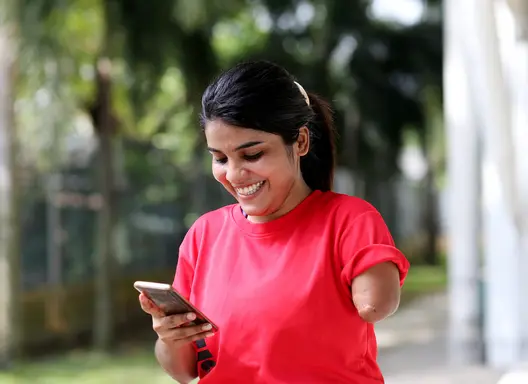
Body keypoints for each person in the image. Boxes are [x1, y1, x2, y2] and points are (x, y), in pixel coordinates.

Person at [139, 60, 410, 383]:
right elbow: (184, 371)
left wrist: (373, 283)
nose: (235, 174)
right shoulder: (204, 235)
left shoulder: (349, 220)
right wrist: (169, 337)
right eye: (220, 158)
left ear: (301, 142)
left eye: (252, 155)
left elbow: (376, 305)